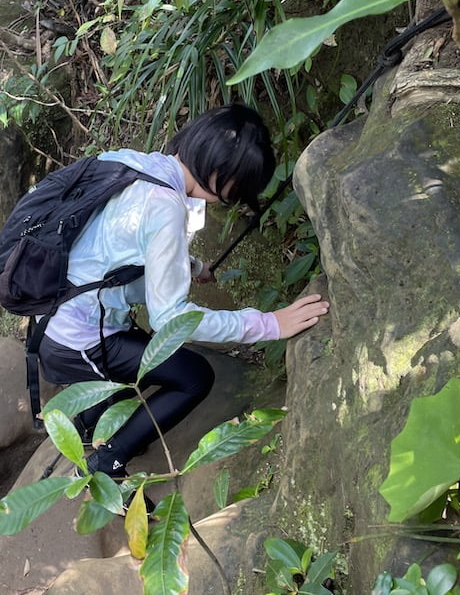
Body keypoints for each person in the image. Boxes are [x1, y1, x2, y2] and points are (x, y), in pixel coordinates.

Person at [36, 103, 330, 477]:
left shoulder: (133, 163)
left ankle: (91, 426)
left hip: (53, 313)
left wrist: (189, 268)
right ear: (222, 176)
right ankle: (106, 462)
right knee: (194, 377)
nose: (232, 202)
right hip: (77, 339)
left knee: (138, 367)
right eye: (237, 191)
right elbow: (169, 321)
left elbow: (113, 250)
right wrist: (269, 324)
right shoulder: (166, 208)